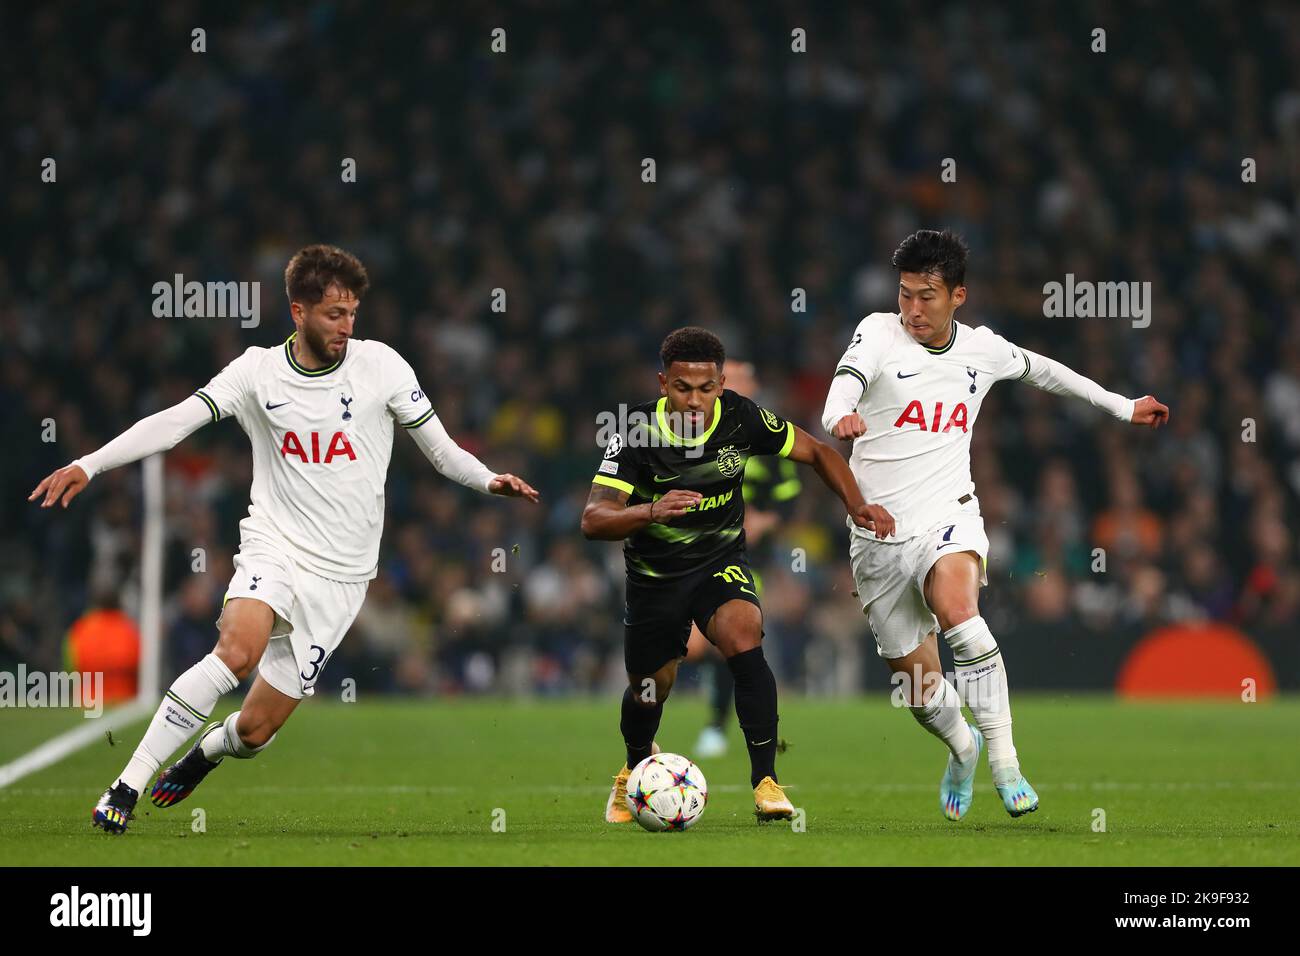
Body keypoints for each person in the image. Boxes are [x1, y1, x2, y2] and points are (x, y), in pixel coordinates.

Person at [29, 244, 539, 834]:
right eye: (333, 314)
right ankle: (126, 786)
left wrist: (487, 478)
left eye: (352, 313)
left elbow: (442, 450)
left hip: (344, 576)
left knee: (254, 732)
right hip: (275, 545)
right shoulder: (256, 373)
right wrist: (89, 465)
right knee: (236, 651)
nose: (347, 327)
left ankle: (208, 751)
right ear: (298, 311)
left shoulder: (383, 367)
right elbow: (174, 422)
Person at [821, 229, 1168, 820]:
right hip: (877, 535)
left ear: (958, 295)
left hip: (947, 514)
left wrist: (1122, 405)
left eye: (926, 296)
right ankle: (963, 749)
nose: (912, 310)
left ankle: (1006, 762)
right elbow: (842, 389)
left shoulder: (982, 349)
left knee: (961, 614)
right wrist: (841, 416)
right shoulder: (877, 332)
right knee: (920, 692)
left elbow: (1049, 373)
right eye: (905, 295)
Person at [582, 327, 893, 823]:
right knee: (650, 688)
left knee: (743, 633)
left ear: (722, 384)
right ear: (664, 383)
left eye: (707, 389)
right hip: (654, 577)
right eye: (683, 388)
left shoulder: (741, 418)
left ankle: (766, 782)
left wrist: (856, 505)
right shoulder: (635, 430)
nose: (695, 401)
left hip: (718, 562)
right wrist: (651, 512)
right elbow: (593, 520)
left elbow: (818, 453)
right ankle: (634, 765)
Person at [688, 359, 801, 759]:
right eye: (727, 381)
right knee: (692, 647)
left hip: (743, 559)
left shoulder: (765, 439)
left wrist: (763, 520)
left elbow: (788, 502)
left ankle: (718, 727)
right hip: (690, 553)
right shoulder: (690, 435)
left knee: (726, 639)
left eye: (740, 381)